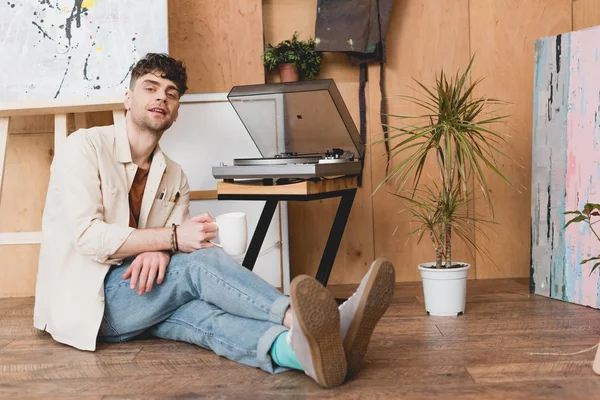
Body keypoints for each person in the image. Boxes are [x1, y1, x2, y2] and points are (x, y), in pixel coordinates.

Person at [33, 53, 395, 388]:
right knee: (198, 265)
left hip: (145, 297)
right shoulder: (83, 147)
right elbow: (88, 237)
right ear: (128, 98)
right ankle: (310, 320)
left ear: (176, 112)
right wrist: (170, 240)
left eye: (171, 93)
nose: (161, 97)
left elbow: (173, 245)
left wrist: (166, 245)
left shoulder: (175, 177)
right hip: (92, 303)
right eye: (150, 88)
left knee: (203, 318)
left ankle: (301, 353)